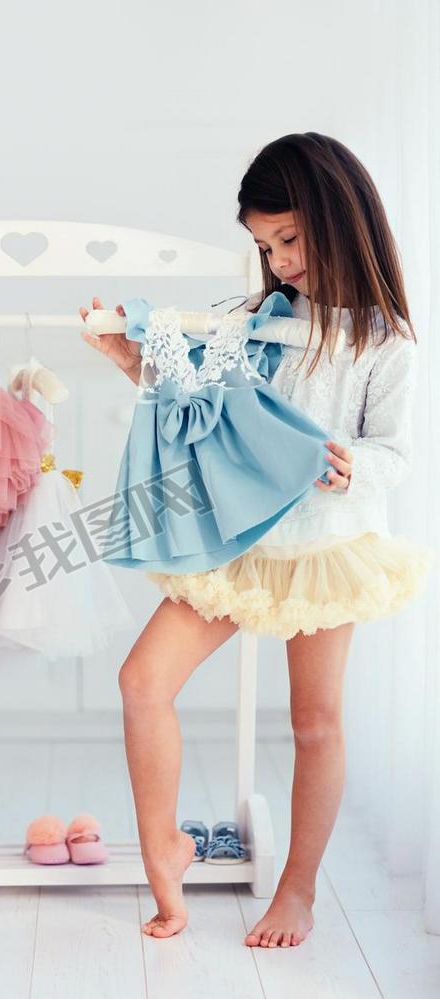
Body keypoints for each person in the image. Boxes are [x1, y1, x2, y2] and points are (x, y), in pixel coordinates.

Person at [79, 132, 433, 948]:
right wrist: (131, 359)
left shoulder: (383, 341)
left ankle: (299, 890)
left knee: (315, 722)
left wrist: (355, 468)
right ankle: (165, 843)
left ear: (341, 222)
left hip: (324, 549)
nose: (276, 261)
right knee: (142, 681)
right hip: (238, 540)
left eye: (289, 239)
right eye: (263, 246)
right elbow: (198, 400)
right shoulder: (248, 320)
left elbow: (396, 452)